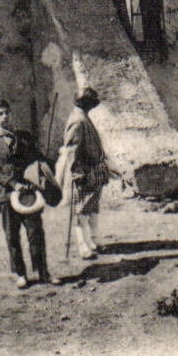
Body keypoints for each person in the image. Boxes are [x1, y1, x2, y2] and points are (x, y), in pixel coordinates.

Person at [0, 100, 52, 288]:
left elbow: (36, 158)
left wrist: (45, 163)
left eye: (7, 113)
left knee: (35, 232)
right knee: (12, 236)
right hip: (6, 195)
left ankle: (42, 272)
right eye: (0, 113)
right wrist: (13, 184)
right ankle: (20, 274)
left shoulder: (23, 137)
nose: (5, 116)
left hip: (28, 192)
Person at [56, 86, 111, 259]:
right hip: (83, 172)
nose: (93, 106)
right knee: (80, 210)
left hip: (93, 170)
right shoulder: (77, 121)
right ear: (86, 103)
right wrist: (77, 174)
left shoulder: (83, 117)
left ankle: (94, 240)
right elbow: (72, 151)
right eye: (92, 103)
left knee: (92, 206)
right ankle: (82, 246)